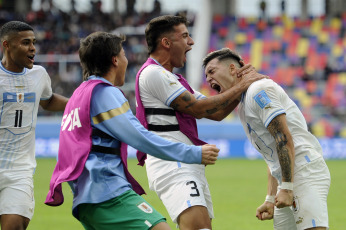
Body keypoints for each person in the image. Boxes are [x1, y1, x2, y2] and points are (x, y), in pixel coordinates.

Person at [45, 31, 220, 230]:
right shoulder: (104, 93)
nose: (126, 61)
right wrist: (193, 153)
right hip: (107, 193)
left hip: (86, 198)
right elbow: (140, 137)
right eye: (124, 55)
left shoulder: (78, 96)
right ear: (115, 60)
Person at [135, 15, 267, 229]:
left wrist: (241, 82)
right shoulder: (153, 73)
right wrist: (243, 86)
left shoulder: (175, 80)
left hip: (186, 162)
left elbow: (216, 112)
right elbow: (198, 109)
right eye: (185, 36)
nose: (192, 42)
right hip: (172, 163)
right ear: (166, 43)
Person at [202, 47, 331, 230]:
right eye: (206, 75)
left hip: (303, 171)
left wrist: (286, 187)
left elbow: (283, 138)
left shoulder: (258, 90)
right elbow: (272, 154)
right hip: (287, 179)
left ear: (232, 69)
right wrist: (270, 198)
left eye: (212, 71)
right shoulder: (243, 102)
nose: (207, 79)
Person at [0, 21, 69, 230]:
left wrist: (81, 103)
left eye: (34, 42)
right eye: (25, 43)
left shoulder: (38, 75)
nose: (33, 48)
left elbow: (47, 100)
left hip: (19, 171)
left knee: (14, 225)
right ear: (7, 45)